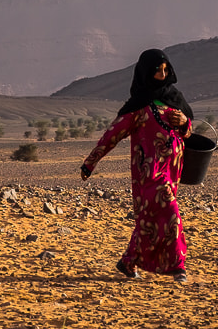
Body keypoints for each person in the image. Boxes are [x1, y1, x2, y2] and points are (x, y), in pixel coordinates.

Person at [80, 48, 194, 282]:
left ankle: (128, 261)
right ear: (145, 74)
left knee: (150, 218)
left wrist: (184, 122)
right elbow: (111, 135)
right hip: (149, 173)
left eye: (165, 70)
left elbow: (188, 133)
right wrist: (90, 163)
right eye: (157, 71)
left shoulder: (175, 98)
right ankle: (177, 266)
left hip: (172, 171)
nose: (163, 75)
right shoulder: (138, 108)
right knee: (170, 212)